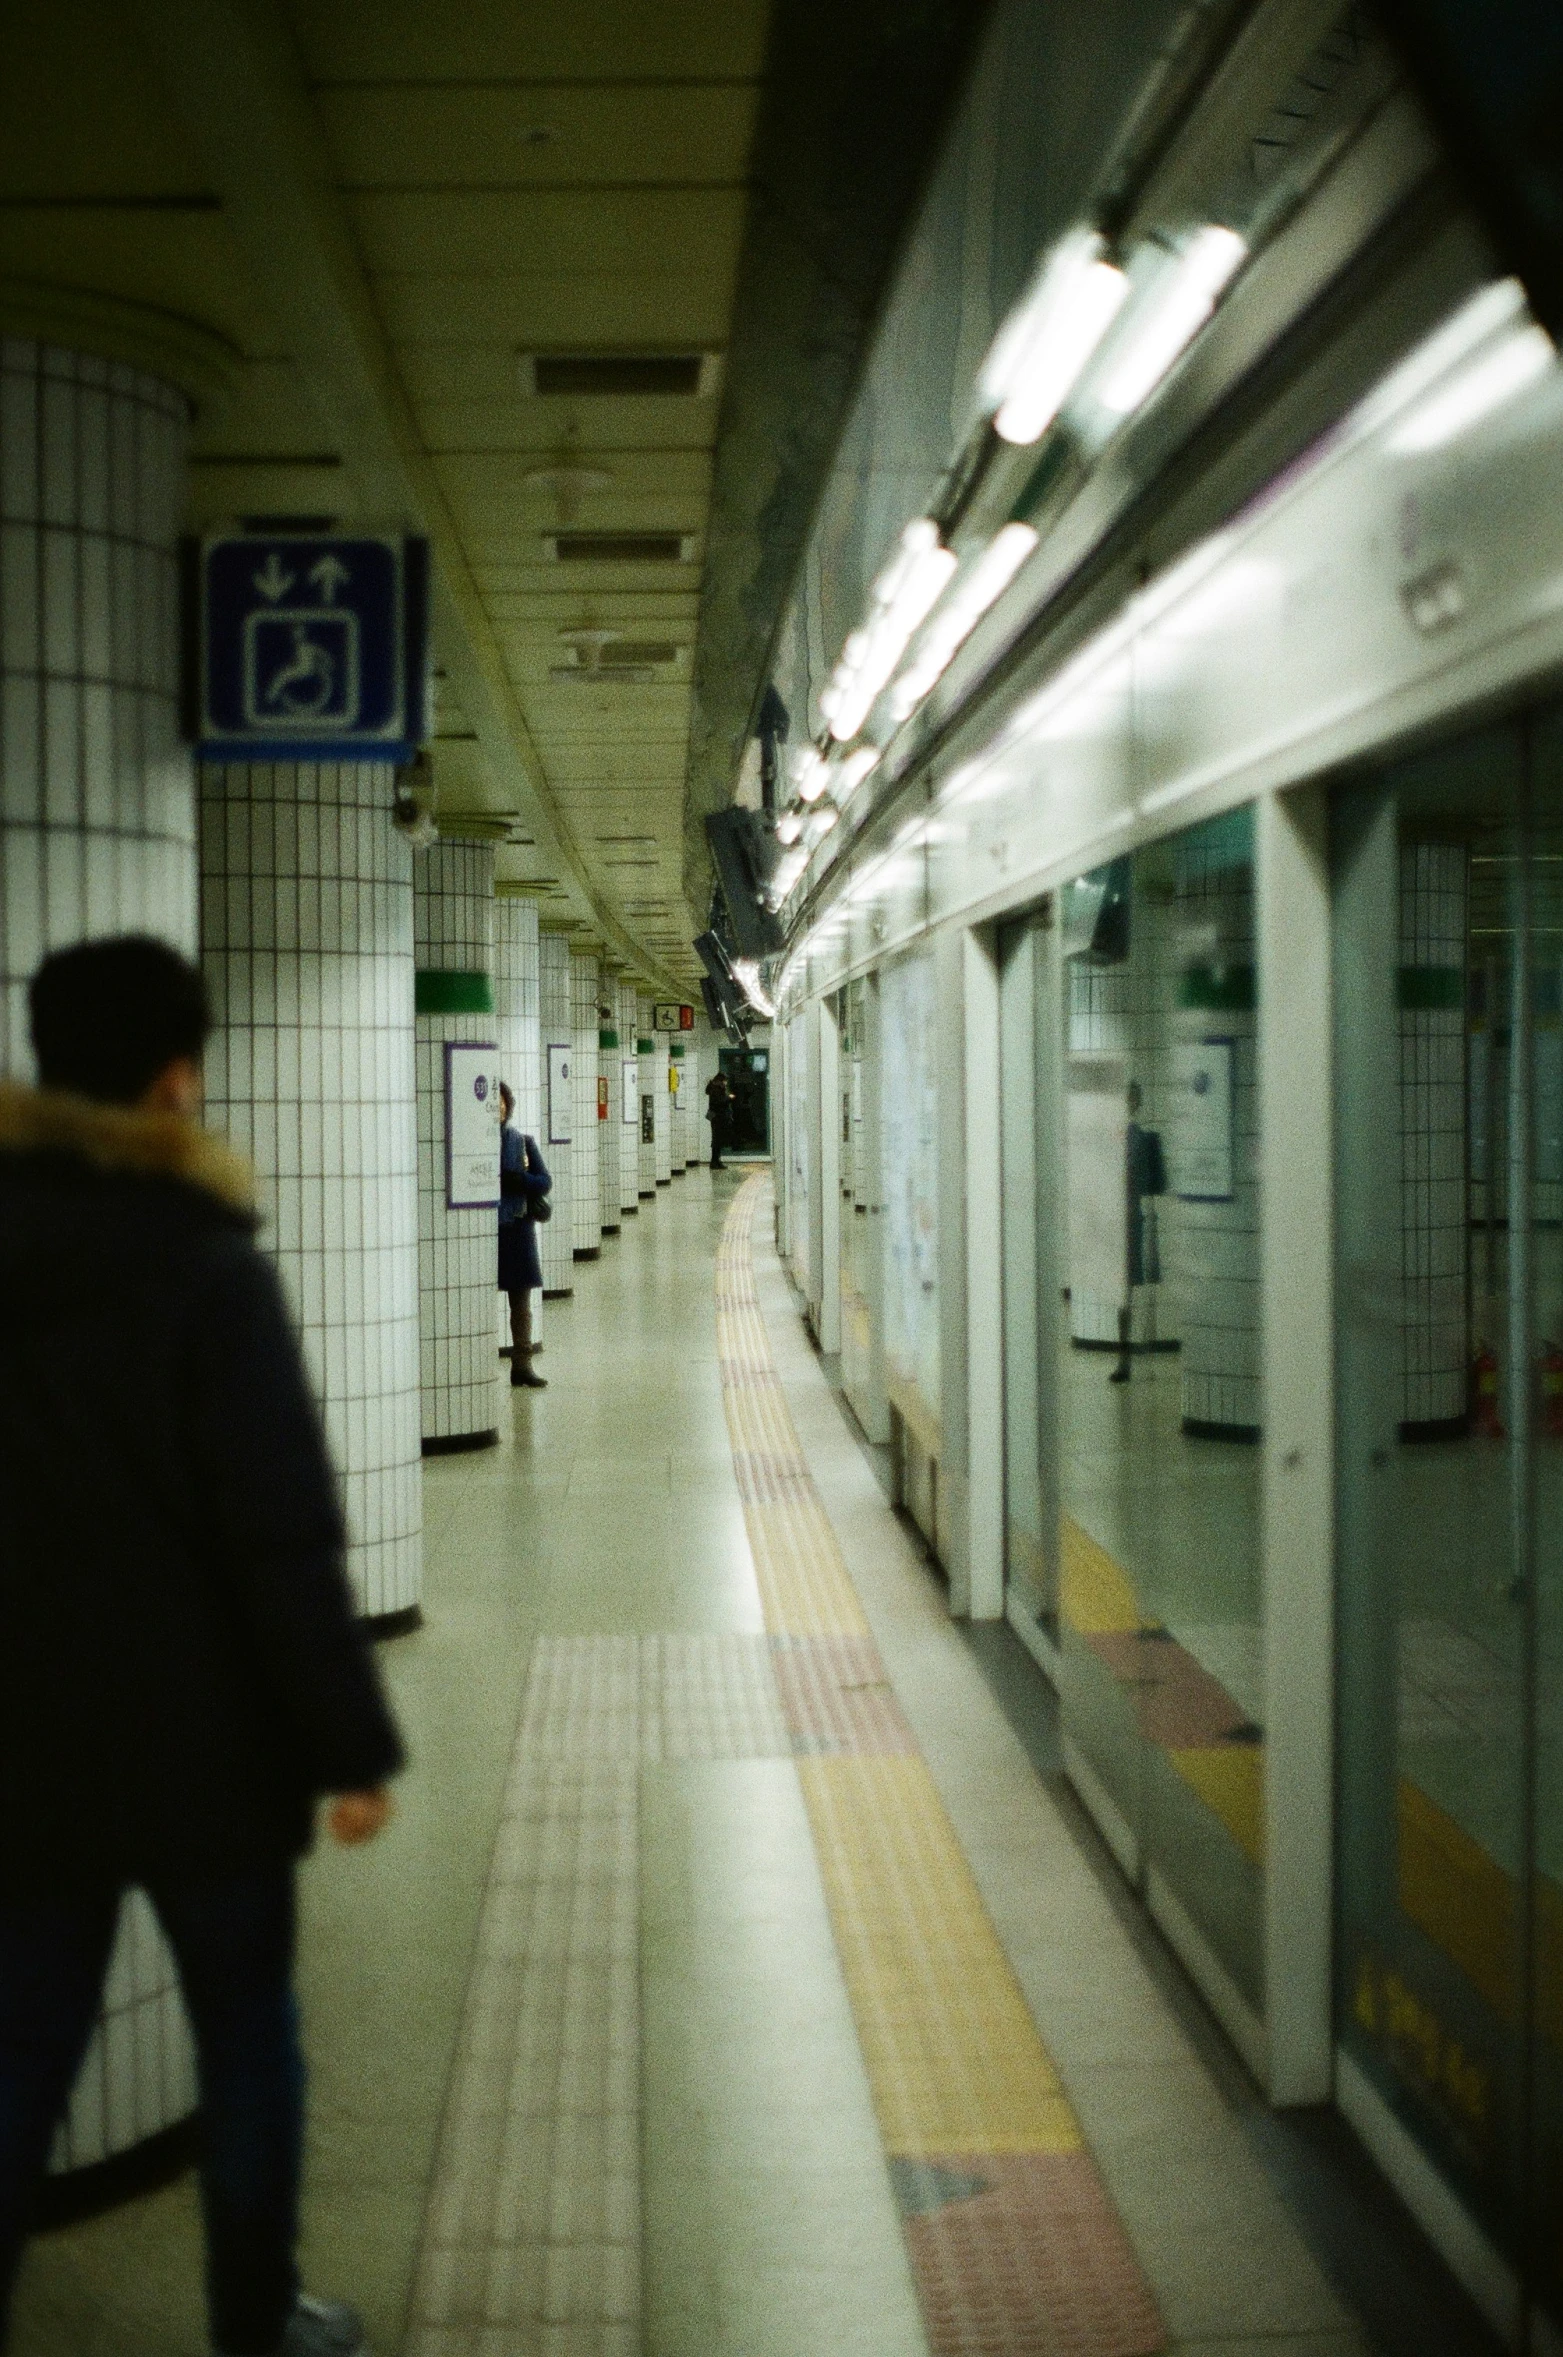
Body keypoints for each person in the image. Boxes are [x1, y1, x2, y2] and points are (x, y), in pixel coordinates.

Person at [0, 936, 404, 2357]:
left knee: (19, 2053)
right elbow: (276, 1533)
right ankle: (255, 2326)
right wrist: (347, 1745)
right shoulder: (206, 1266)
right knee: (244, 2039)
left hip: (25, 1743)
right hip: (204, 1747)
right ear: (179, 1075)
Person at [1111, 1080, 1167, 1383]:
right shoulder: (1118, 1138)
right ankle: (1126, 1358)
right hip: (1123, 1221)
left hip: (1136, 1221)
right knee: (1125, 1294)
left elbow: (1154, 1184)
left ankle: (1133, 1358)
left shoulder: (1142, 1140)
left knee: (1133, 1292)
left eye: (1131, 1098)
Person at [497, 1083, 548, 1390]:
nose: (498, 1108)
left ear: (508, 1105)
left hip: (517, 1228)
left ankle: (522, 1365)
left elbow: (544, 1181)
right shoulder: (474, 1143)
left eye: (501, 1102)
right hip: (487, 1229)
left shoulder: (522, 1142)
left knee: (521, 1304)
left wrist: (520, 1180)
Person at [705, 1069, 733, 1170]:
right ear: (722, 1080)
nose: (726, 1082)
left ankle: (716, 1161)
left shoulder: (714, 1087)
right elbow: (720, 1102)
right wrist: (729, 1098)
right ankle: (715, 1161)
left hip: (715, 1117)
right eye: (725, 1080)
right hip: (718, 1117)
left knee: (717, 1139)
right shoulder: (717, 1088)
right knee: (718, 1140)